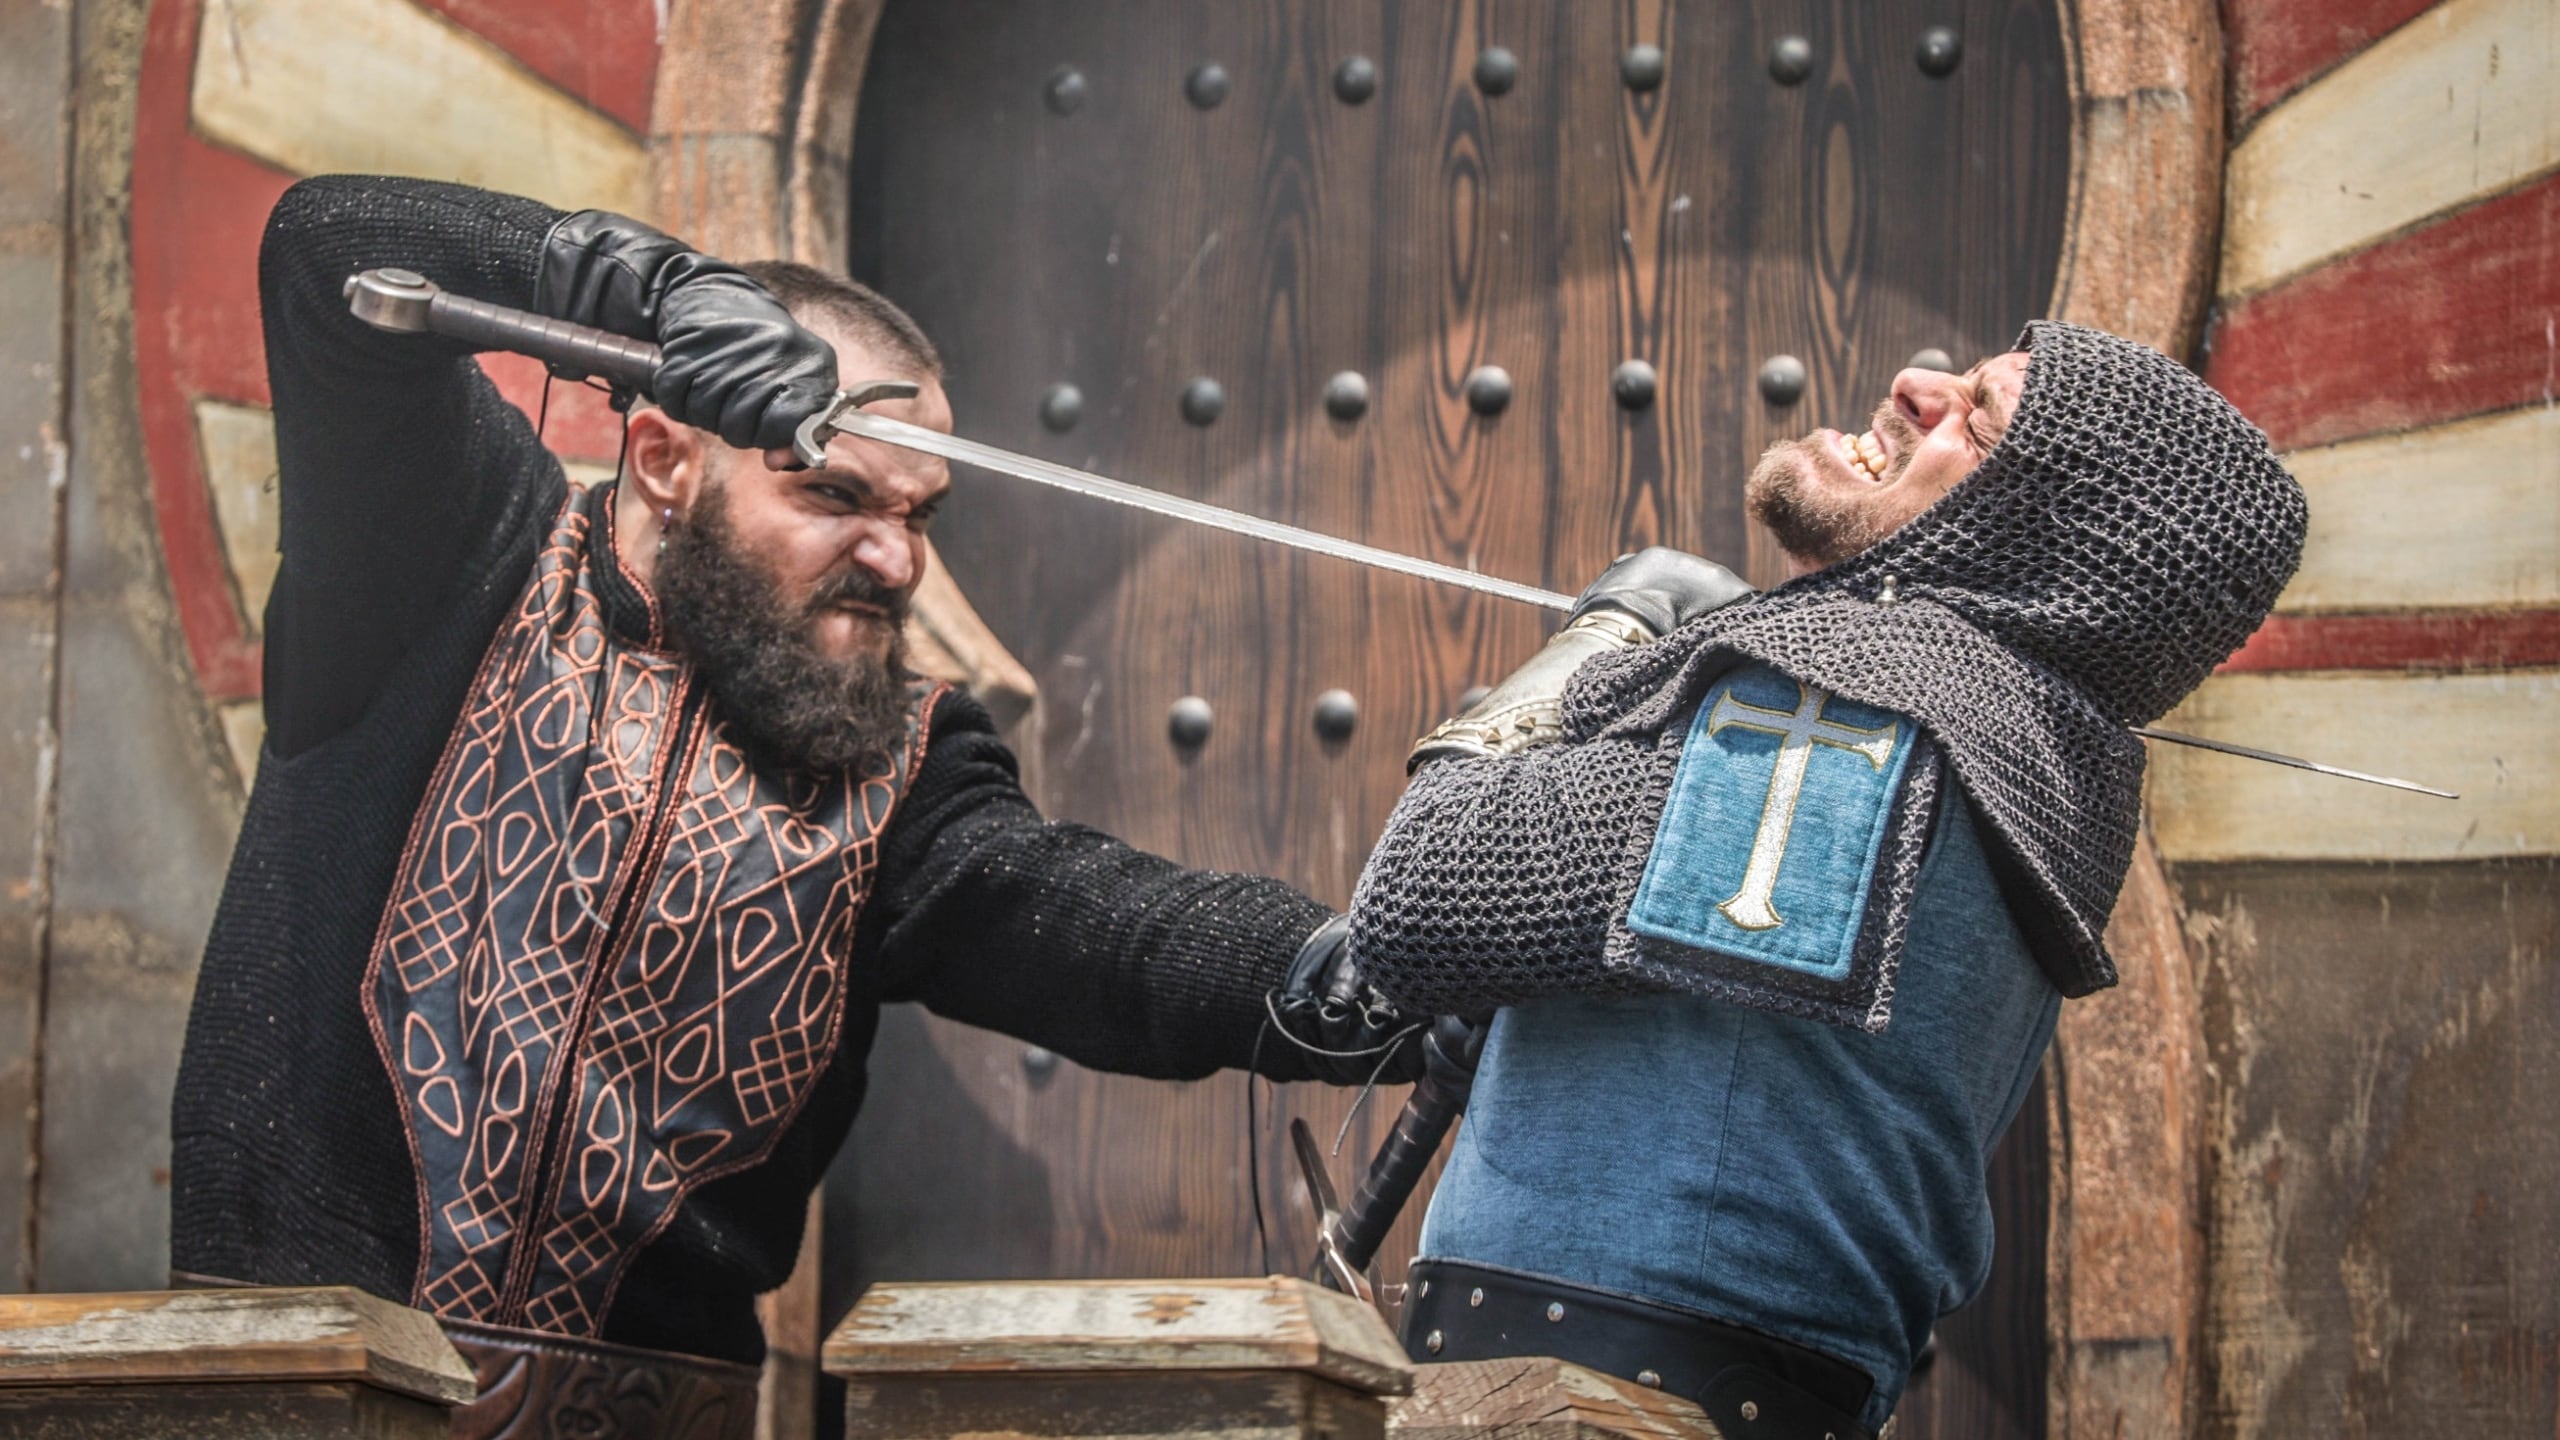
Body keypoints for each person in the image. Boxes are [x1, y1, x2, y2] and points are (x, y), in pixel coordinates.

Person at [168, 174, 1431, 1438]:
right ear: (664, 458)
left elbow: (1107, 929)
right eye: (834, 494)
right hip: (278, 1412)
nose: (898, 559)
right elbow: (325, 246)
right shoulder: (449, 558)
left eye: (916, 514)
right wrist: (654, 290)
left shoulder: (899, 763)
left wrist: (1379, 970)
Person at [1348, 327, 2307, 1438]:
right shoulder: (2012, 757)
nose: (1914, 385)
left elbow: (1419, 894)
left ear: (2029, 543)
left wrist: (1598, 643)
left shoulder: (1860, 714)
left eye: (1978, 417)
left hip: (1602, 1408)